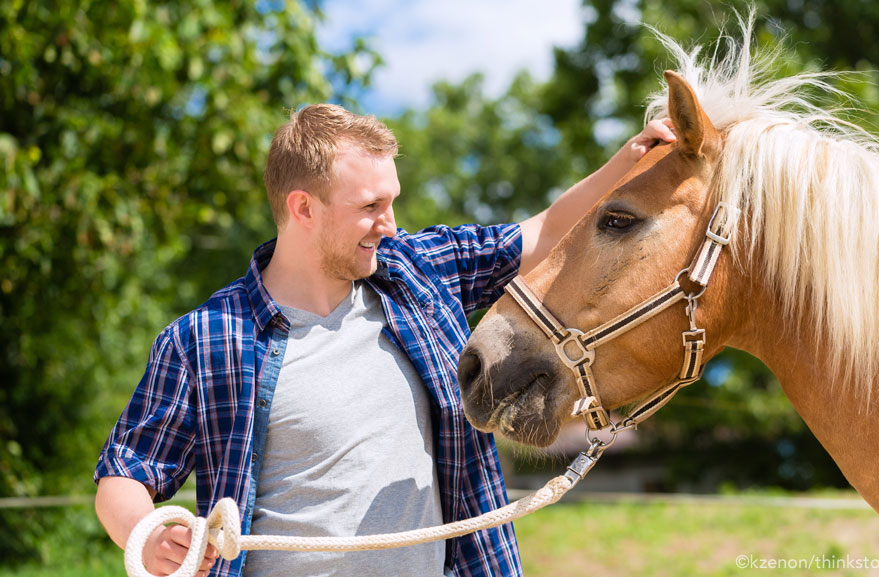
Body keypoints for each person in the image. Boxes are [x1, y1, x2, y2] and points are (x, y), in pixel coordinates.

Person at [93, 103, 674, 577]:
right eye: (371, 206)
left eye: (391, 200)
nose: (391, 223)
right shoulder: (205, 340)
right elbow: (124, 472)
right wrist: (144, 536)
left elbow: (545, 231)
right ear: (304, 209)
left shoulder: (419, 271)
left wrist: (629, 161)